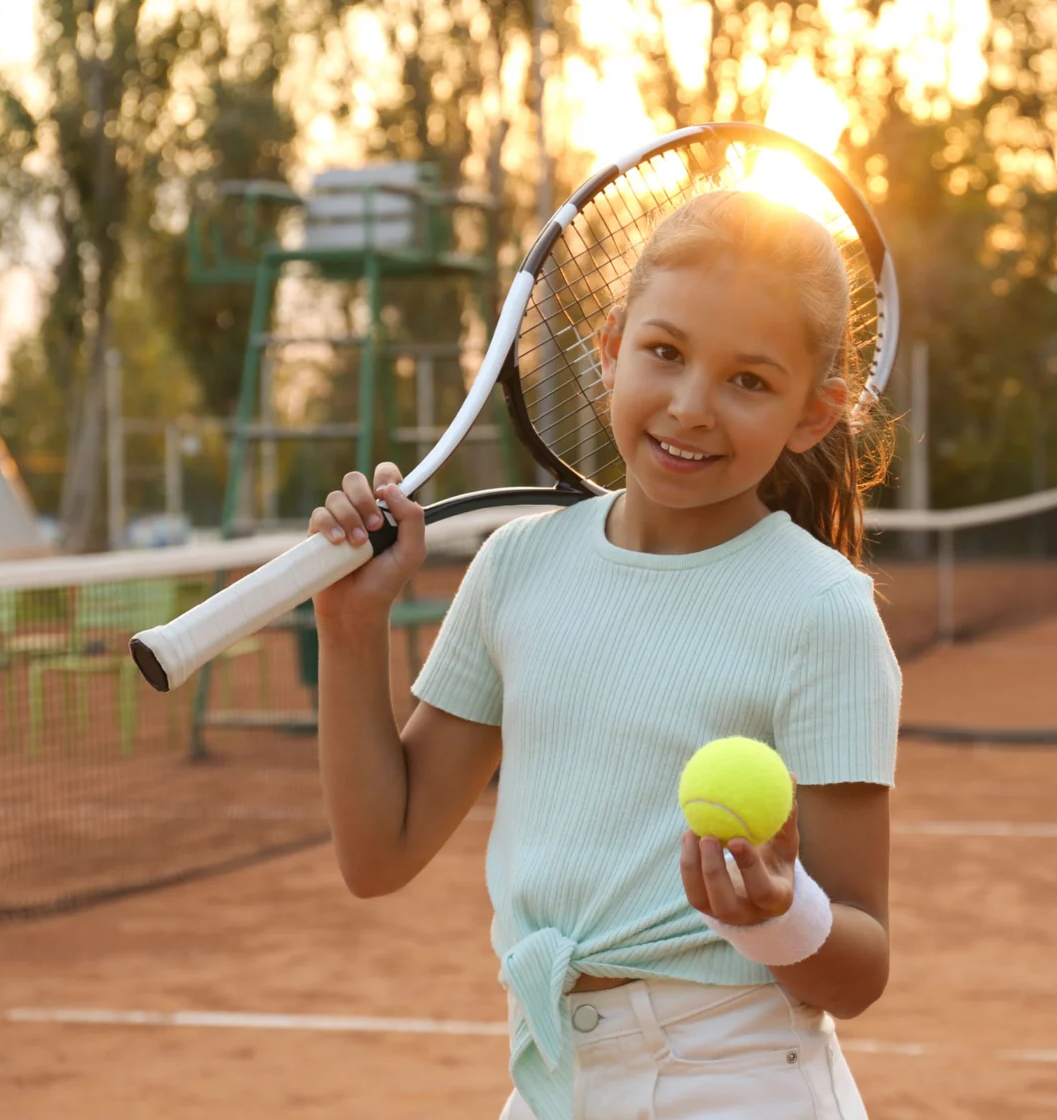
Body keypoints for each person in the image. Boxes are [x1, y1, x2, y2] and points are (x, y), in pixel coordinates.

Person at [307, 189, 901, 1120]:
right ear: (611, 345)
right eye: (665, 353)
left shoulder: (824, 610)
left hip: (738, 1081)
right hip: (554, 1082)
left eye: (750, 380)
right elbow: (378, 854)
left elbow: (861, 970)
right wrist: (349, 632)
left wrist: (780, 914)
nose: (692, 407)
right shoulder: (516, 569)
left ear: (815, 413)